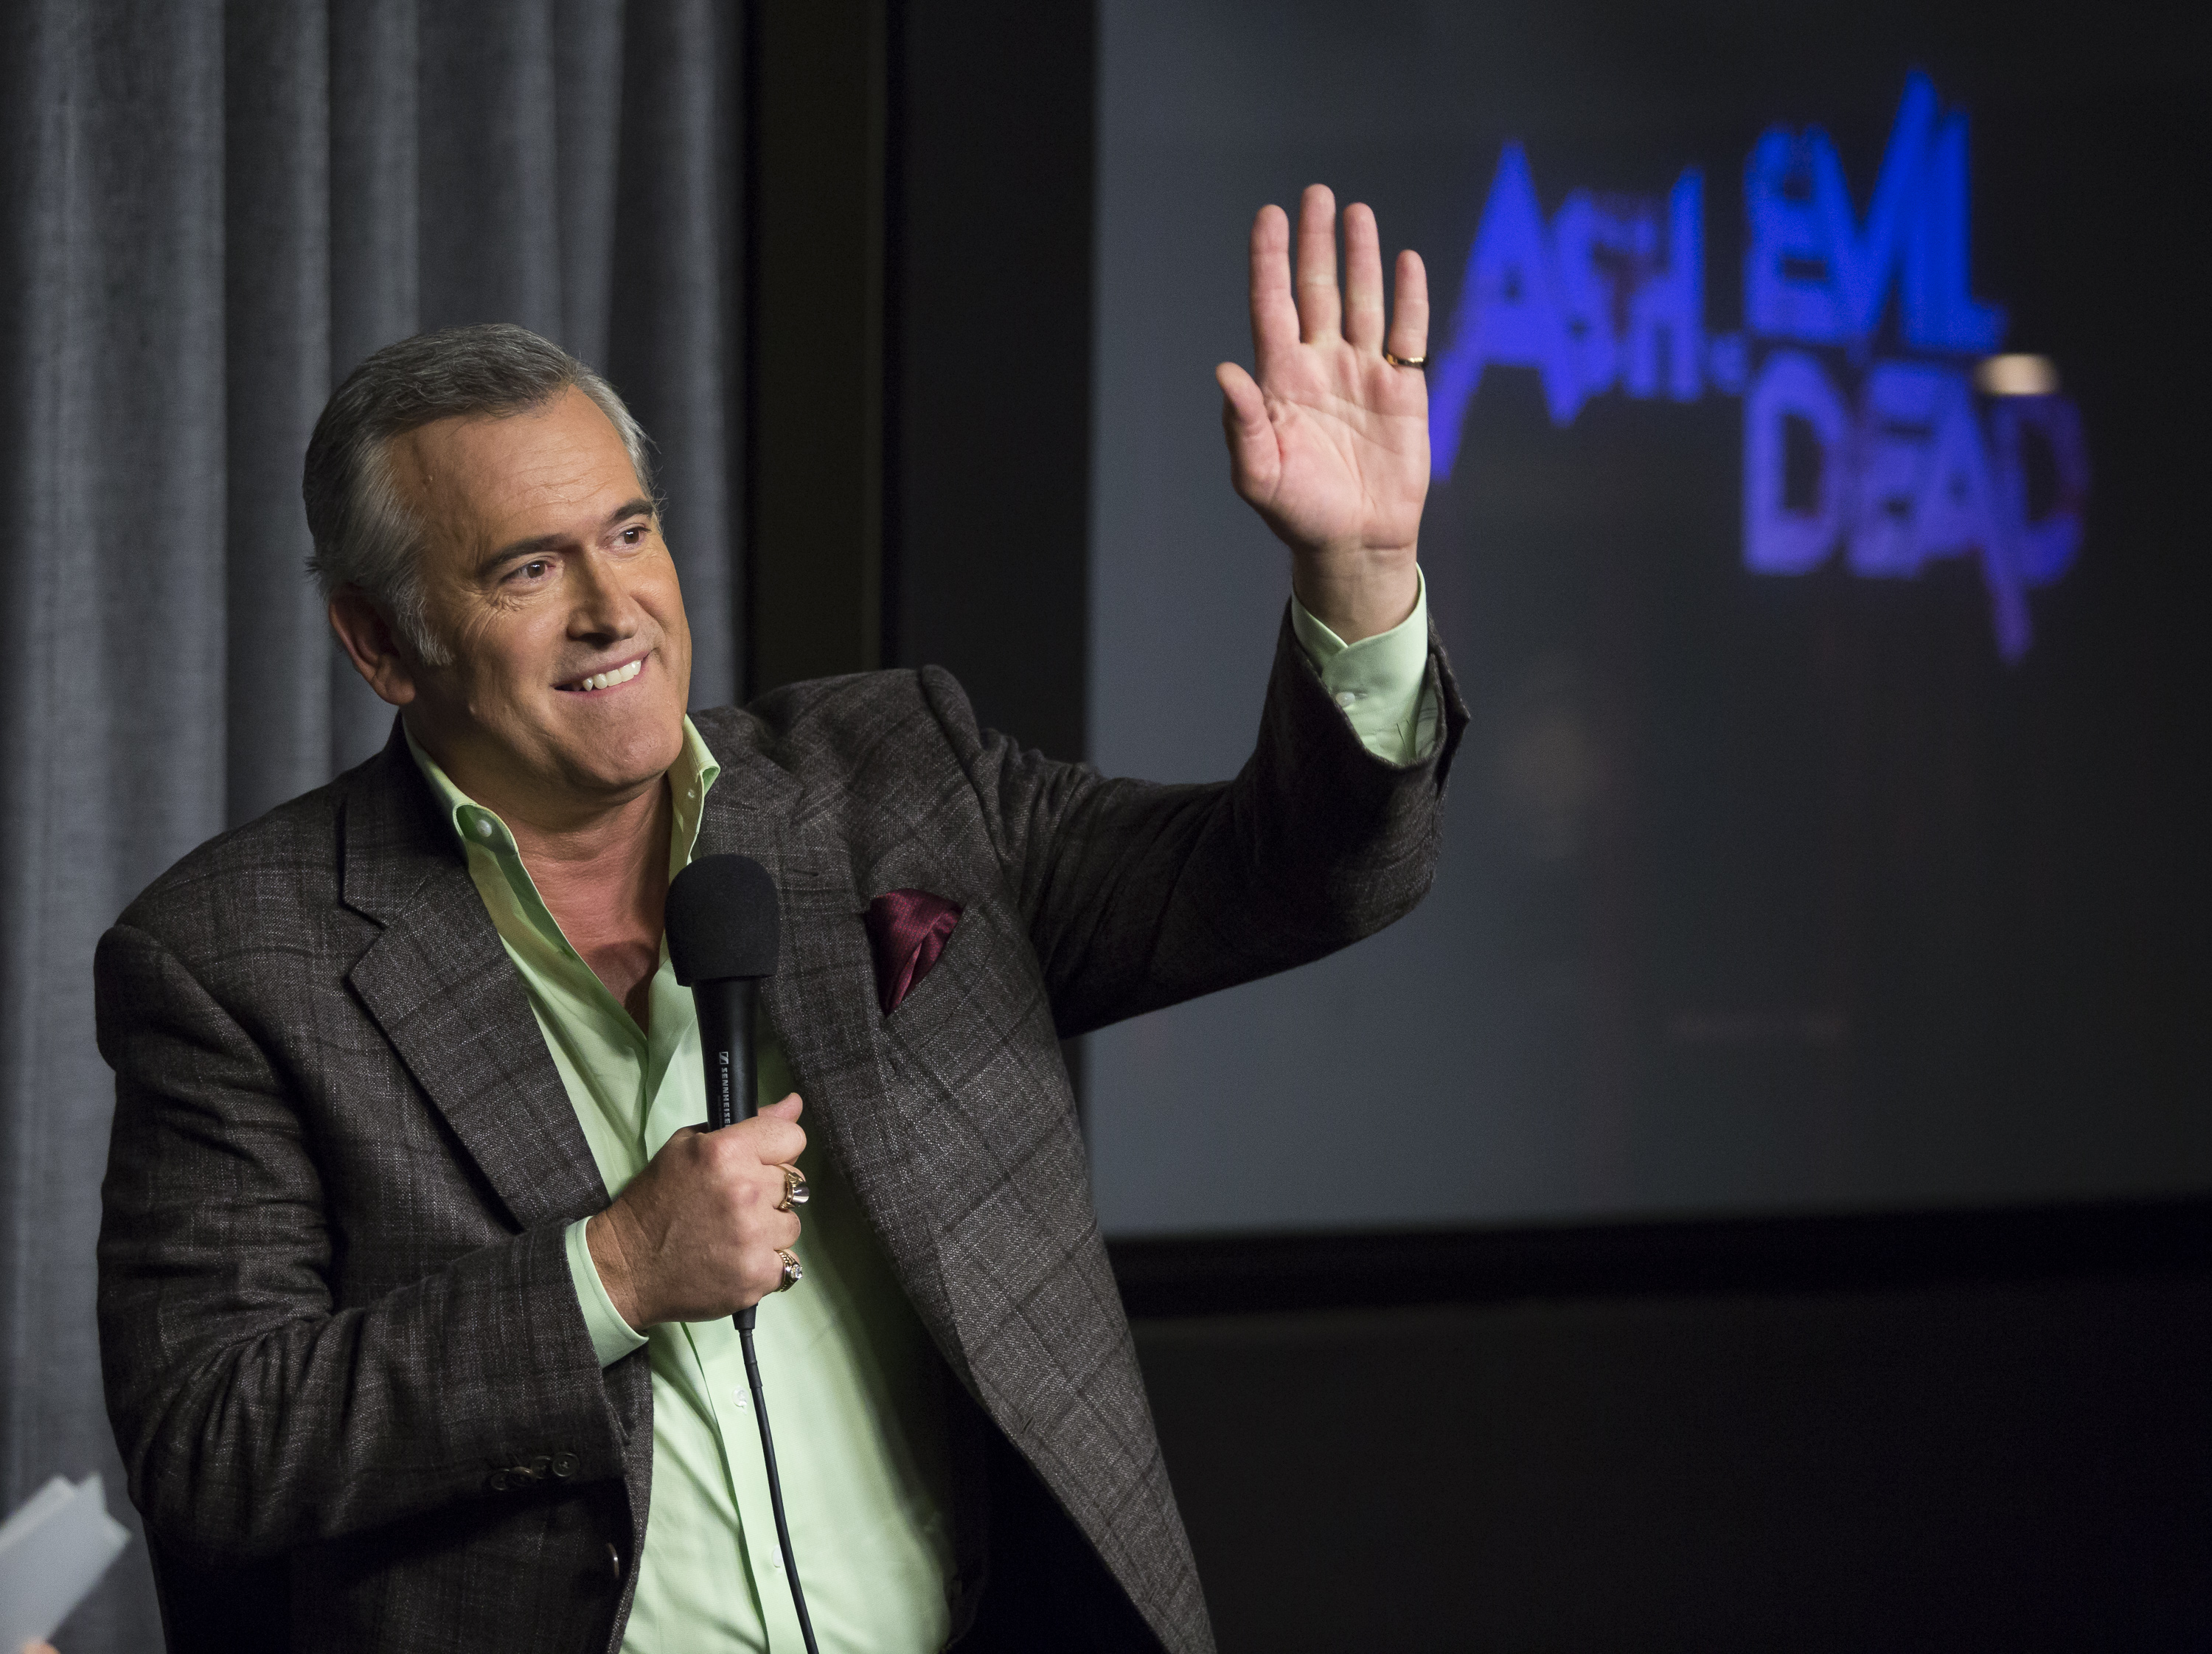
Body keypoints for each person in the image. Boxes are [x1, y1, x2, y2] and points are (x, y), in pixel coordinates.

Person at [94, 187, 1462, 1654]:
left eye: (627, 532)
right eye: (528, 569)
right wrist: (614, 1273)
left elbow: (1303, 872)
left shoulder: (898, 784)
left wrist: (1360, 576)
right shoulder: (238, 959)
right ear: (379, 641)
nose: (615, 609)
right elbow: (213, 1442)